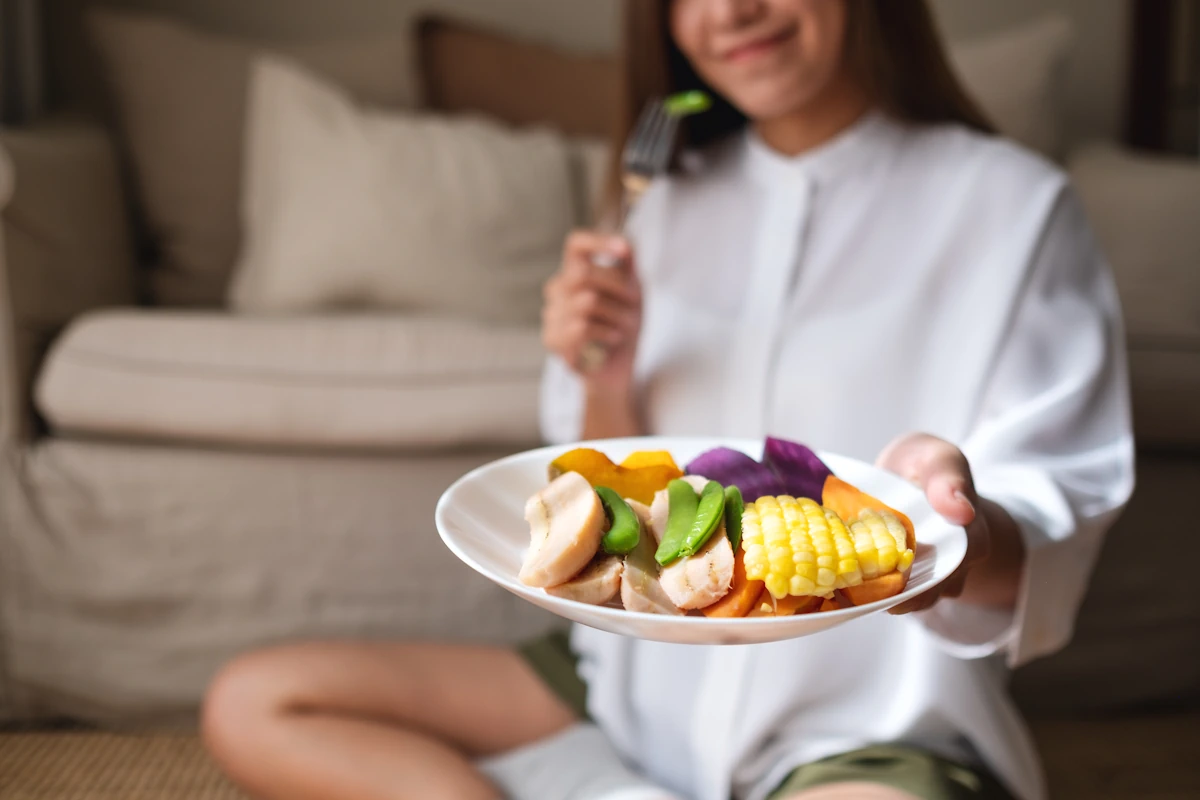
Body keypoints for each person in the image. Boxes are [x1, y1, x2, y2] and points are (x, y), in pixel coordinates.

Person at [201, 1, 1135, 799]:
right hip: (632, 678)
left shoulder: (1016, 209)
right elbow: (626, 499)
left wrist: (947, 523)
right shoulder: (658, 202)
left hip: (870, 717)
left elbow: (1049, 545)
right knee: (259, 701)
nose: (727, 13)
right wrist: (605, 382)